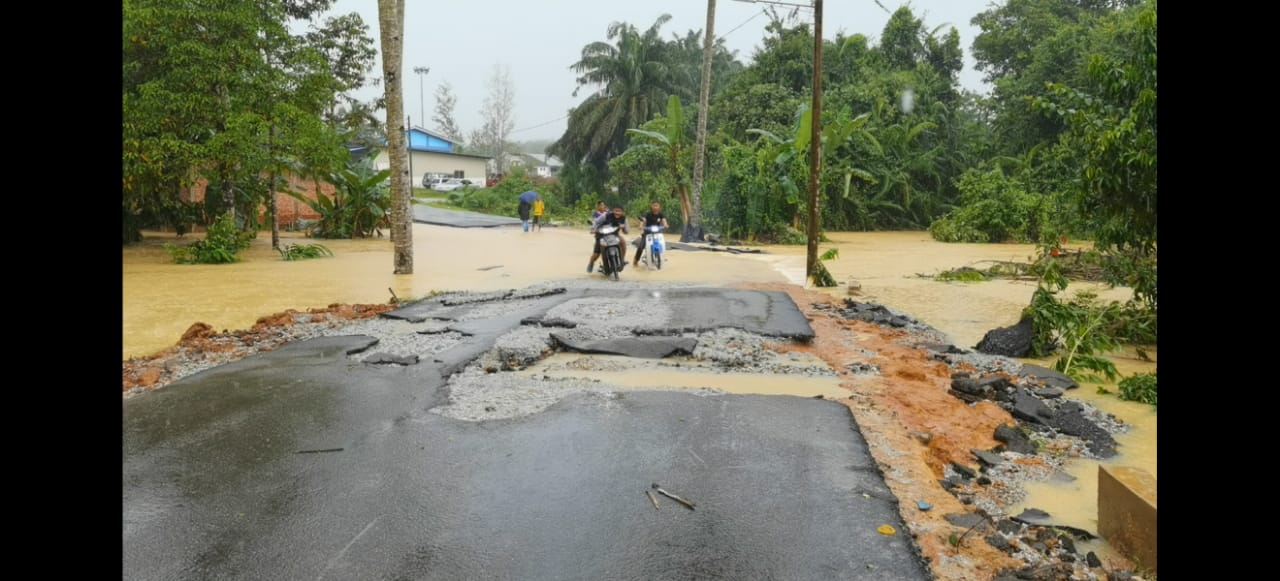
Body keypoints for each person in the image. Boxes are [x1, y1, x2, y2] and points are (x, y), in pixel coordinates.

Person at [587, 206, 628, 273]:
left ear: (622, 212)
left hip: (614, 235)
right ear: (612, 211)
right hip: (601, 235)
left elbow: (626, 231)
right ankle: (591, 263)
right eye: (616, 211)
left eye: (619, 211)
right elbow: (596, 222)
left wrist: (623, 228)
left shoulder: (624, 219)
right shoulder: (605, 215)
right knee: (596, 254)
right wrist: (593, 229)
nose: (617, 213)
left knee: (623, 242)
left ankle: (622, 260)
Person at [633, 201, 669, 267]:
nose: (655, 207)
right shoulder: (647, 214)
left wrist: (666, 225)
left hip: (657, 233)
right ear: (651, 206)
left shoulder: (661, 214)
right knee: (641, 247)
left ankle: (662, 257)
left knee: (663, 244)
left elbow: (664, 220)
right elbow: (643, 220)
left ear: (659, 207)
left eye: (657, 206)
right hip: (647, 233)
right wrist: (641, 225)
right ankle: (635, 261)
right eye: (654, 205)